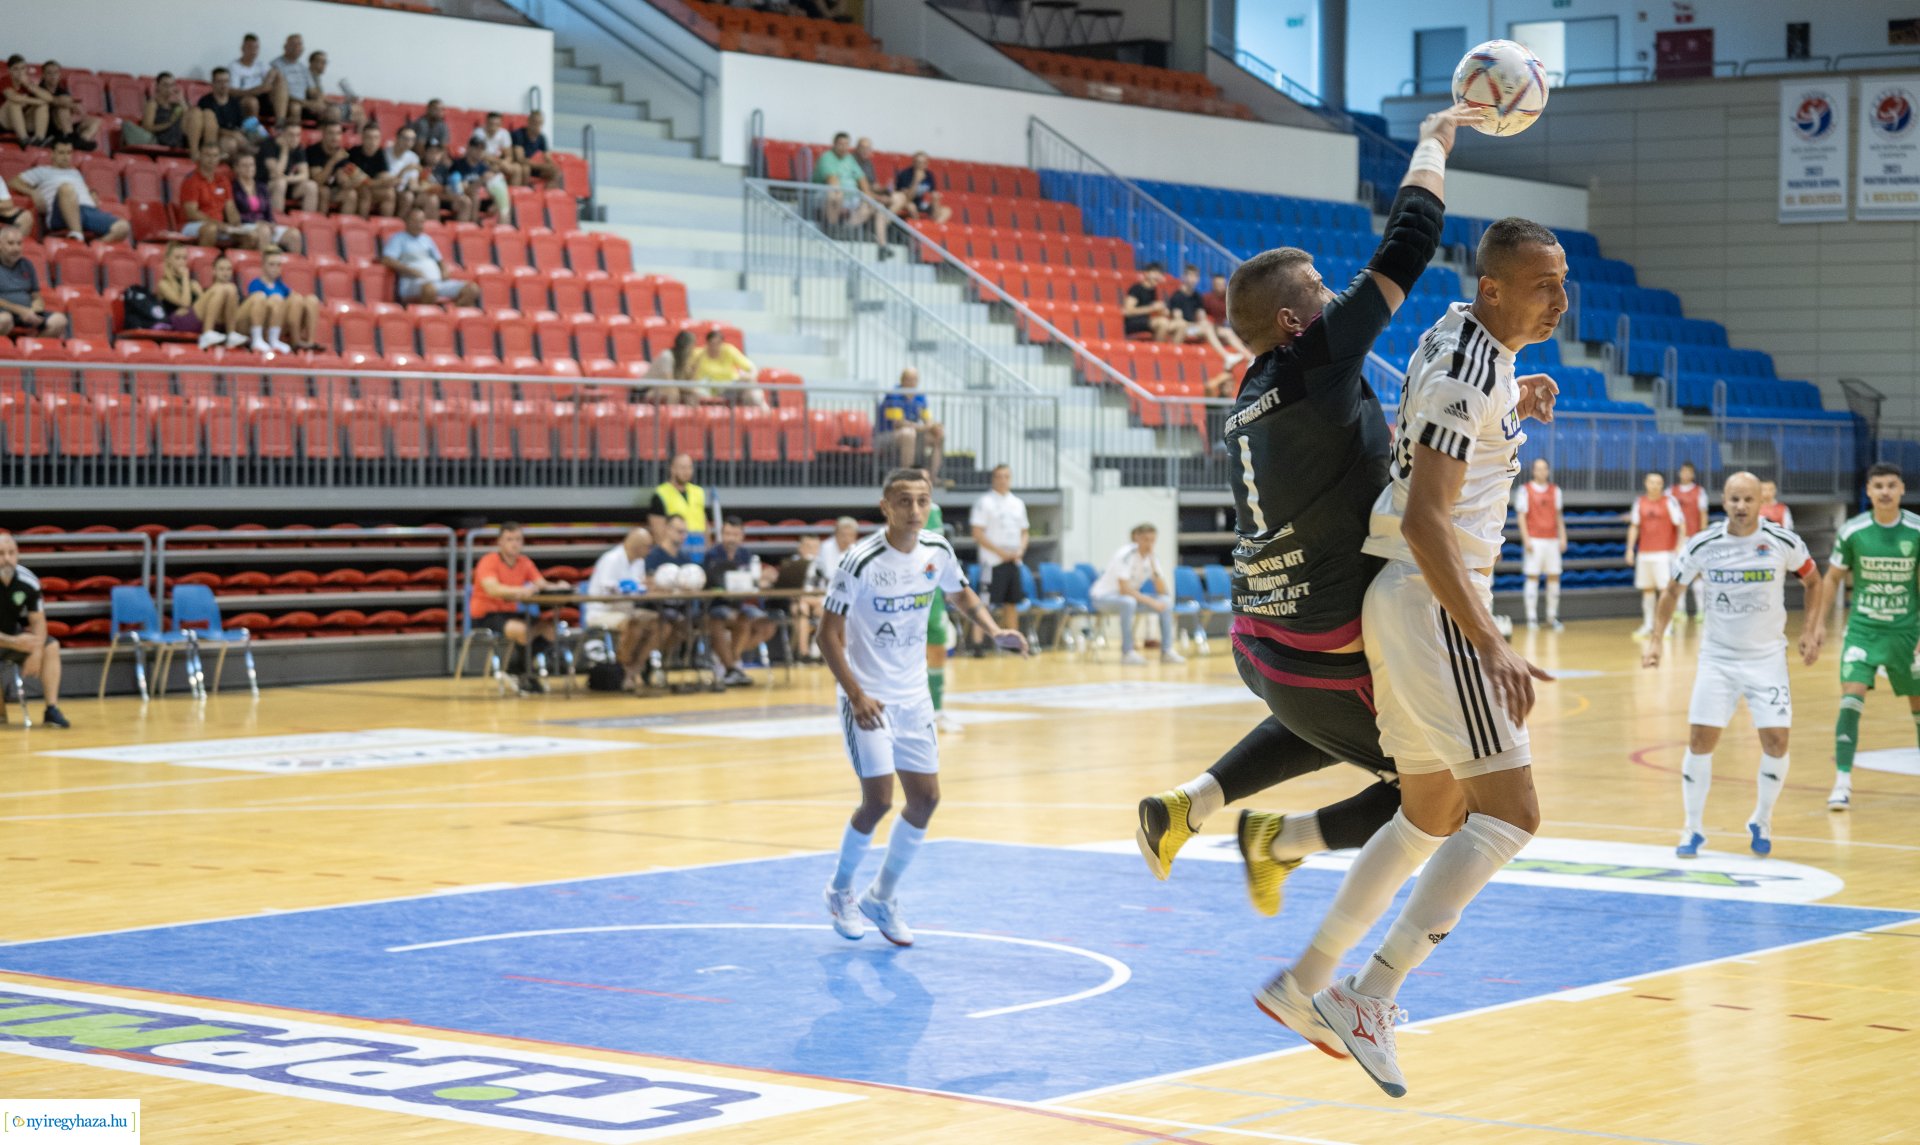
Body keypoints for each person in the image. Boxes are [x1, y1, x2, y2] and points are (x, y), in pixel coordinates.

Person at [1305, 215, 1564, 1098]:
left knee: (1429, 809)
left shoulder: (1458, 331)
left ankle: (1311, 977)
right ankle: (1368, 994)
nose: (1560, 299)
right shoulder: (1470, 366)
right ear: (1494, 286)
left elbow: (1448, 412)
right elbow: (1427, 520)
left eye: (1562, 281)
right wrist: (1491, 643)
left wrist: (1512, 398)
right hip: (1434, 600)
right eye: (1542, 285)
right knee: (1512, 812)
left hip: (1405, 600)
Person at [819, 468, 1028, 946]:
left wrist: (994, 631)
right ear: (885, 507)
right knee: (878, 800)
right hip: (867, 696)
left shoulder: (938, 549)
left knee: (926, 799)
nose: (914, 510)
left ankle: (881, 896)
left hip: (914, 697)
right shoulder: (860, 559)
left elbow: (959, 592)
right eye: (904, 501)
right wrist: (856, 694)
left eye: (922, 501)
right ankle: (839, 890)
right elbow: (826, 634)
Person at [1643, 471, 1823, 857]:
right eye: (1734, 499)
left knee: (1776, 742)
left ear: (1762, 502)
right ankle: (1692, 829)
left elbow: (1813, 580)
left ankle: (1761, 819)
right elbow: (1673, 589)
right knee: (1699, 740)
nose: (1741, 506)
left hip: (1767, 658)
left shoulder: (1781, 541)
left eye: (1748, 499)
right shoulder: (1704, 543)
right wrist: (1656, 639)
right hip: (1718, 659)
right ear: (1723, 502)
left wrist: (1812, 628)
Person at [1809, 463, 1920, 812]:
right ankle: (1842, 780)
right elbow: (1832, 579)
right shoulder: (1853, 531)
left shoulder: (1916, 531)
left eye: (1891, 485)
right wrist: (1818, 624)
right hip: (1864, 630)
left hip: (1906, 632)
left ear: (1902, 489)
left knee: (1917, 705)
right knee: (1850, 697)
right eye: (1878, 486)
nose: (1885, 491)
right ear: (1868, 492)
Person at [470, 523, 568, 694]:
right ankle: (522, 670)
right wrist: (520, 590)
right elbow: (493, 589)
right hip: (486, 614)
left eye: (518, 539)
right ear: (499, 542)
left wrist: (558, 586)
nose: (514, 544)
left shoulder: (524, 562)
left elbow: (541, 585)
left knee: (549, 629)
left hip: (511, 612)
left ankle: (517, 667)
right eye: (509, 539)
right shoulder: (489, 561)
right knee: (523, 630)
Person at [584, 527, 667, 691]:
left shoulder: (639, 562)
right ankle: (622, 669)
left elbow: (640, 587)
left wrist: (648, 586)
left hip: (626, 610)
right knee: (634, 625)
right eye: (648, 547)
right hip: (602, 611)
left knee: (661, 624)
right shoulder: (611, 559)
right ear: (638, 546)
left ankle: (635, 667)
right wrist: (630, 587)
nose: (650, 551)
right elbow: (605, 589)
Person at [0, 532, 69, 728]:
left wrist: (37, 650)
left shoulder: (28, 581)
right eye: (1, 553)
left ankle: (51, 709)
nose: (6, 559)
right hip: (9, 640)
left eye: (11, 553)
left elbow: (38, 622)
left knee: (51, 646)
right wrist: (14, 642)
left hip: (13, 636)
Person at [1090, 524, 1186, 665]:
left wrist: (1154, 564)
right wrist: (1150, 601)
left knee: (1165, 602)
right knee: (1128, 602)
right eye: (1146, 539)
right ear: (1137, 538)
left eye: (1153, 540)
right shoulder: (1125, 555)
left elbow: (1161, 591)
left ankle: (1167, 651)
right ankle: (1127, 652)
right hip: (1103, 598)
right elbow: (1124, 589)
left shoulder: (1152, 558)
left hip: (1128, 599)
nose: (1149, 544)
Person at [12, 139, 130, 244]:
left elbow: (83, 190)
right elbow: (14, 182)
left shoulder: (75, 172)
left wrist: (91, 193)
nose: (66, 156)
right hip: (60, 213)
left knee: (123, 226)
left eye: (69, 153)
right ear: (52, 154)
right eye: (61, 152)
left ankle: (93, 247)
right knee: (66, 188)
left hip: (88, 211)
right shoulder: (42, 171)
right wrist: (33, 192)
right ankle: (77, 235)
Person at [704, 518, 776, 687]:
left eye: (735, 534)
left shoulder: (745, 554)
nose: (731, 538)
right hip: (718, 605)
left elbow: (751, 581)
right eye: (728, 534)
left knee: (767, 625)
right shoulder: (712, 555)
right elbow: (712, 583)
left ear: (742, 536)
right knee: (741, 620)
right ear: (722, 535)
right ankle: (732, 666)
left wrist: (763, 579)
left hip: (740, 604)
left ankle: (730, 662)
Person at [969, 464, 1029, 644]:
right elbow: (977, 533)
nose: (1003, 480)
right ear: (993, 479)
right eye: (999, 476)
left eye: (1006, 476)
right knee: (984, 603)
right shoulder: (984, 502)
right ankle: (977, 644)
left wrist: (1020, 550)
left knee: (1011, 604)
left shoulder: (1018, 503)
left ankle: (1013, 643)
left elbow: (1025, 532)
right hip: (992, 562)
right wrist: (1000, 552)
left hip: (1013, 561)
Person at [380, 206, 478, 305]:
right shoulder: (398, 238)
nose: (418, 225)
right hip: (412, 283)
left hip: (437, 282)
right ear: (406, 221)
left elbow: (439, 260)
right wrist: (410, 270)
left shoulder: (427, 239)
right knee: (429, 290)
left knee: (472, 289)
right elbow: (387, 260)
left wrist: (444, 270)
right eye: (415, 221)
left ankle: (448, 316)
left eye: (421, 222)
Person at [1627, 471, 1684, 638]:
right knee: (1647, 590)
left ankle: (1666, 626)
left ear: (1662, 485)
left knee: (1665, 590)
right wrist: (1630, 548)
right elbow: (1634, 526)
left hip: (1664, 554)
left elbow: (1681, 525)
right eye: (1651, 482)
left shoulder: (1670, 501)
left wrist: (1679, 546)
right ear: (1646, 483)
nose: (1654, 485)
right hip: (1645, 553)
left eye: (1658, 482)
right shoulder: (1640, 502)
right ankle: (1648, 624)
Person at [155, 242, 242, 350]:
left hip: (196, 318)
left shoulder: (194, 284)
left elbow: (208, 305)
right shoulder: (164, 284)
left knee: (230, 288)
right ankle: (207, 333)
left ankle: (231, 333)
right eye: (178, 258)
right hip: (179, 322)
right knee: (219, 288)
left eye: (184, 258)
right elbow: (185, 303)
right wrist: (185, 278)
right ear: (168, 260)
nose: (182, 262)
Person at [1513, 457, 1566, 630]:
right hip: (1534, 540)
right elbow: (1521, 517)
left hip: (1552, 540)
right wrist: (1526, 538)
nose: (1541, 471)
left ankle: (1552, 617)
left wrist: (1563, 536)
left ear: (1548, 471)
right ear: (1533, 471)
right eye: (1538, 468)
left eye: (1544, 468)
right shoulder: (1524, 490)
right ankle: (1532, 619)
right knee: (1532, 576)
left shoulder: (1555, 491)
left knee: (1554, 576)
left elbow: (1558, 516)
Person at [923, 495, 960, 734]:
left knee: (938, 649)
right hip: (903, 589)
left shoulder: (934, 510)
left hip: (932, 589)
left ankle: (936, 712)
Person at [1167, 263, 1250, 361]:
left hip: (1195, 328)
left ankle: (1250, 358)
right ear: (1184, 277)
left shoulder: (1197, 297)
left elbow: (1201, 316)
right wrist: (1200, 324)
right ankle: (1226, 356)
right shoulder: (1177, 296)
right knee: (1206, 327)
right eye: (1190, 275)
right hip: (1184, 330)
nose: (1193, 279)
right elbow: (1179, 321)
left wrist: (1204, 323)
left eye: (1196, 276)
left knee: (1226, 332)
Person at [244, 248, 321, 352]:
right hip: (266, 324)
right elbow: (257, 309)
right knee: (289, 300)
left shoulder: (281, 285)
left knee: (311, 299)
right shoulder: (256, 284)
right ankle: (295, 341)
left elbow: (294, 298)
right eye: (271, 264)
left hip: (282, 323)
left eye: (278, 265)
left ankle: (309, 342)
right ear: (263, 266)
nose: (275, 268)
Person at [0, 224, 69, 338]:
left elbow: (35, 295)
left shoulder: (27, 264)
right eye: (11, 243)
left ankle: (30, 346)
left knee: (59, 320)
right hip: (4, 312)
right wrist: (20, 310)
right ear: (0, 245)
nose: (16, 248)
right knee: (4, 320)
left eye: (19, 243)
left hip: (27, 313)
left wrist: (36, 308)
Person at [877, 367, 944, 484]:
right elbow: (898, 423)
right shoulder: (894, 394)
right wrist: (922, 427)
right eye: (908, 379)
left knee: (938, 435)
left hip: (914, 433)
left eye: (915, 379)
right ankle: (906, 479)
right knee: (908, 434)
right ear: (902, 380)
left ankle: (932, 478)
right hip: (886, 435)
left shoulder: (920, 396)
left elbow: (927, 418)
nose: (912, 382)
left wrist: (933, 426)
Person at [769, 533, 826, 666]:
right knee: (801, 607)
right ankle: (803, 653)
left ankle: (819, 652)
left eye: (814, 547)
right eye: (808, 546)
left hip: (816, 601)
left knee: (822, 610)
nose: (811, 550)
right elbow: (783, 587)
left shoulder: (821, 565)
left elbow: (825, 588)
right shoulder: (791, 564)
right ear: (800, 548)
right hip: (792, 602)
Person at [230, 153, 301, 254]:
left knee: (294, 234)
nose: (249, 168)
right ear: (236, 168)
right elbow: (234, 214)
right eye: (244, 165)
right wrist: (258, 223)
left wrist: (271, 223)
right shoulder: (233, 188)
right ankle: (265, 266)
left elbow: (268, 210)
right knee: (264, 231)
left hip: (264, 225)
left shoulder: (262, 187)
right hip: (244, 225)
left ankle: (294, 268)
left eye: (251, 165)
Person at [124, 72, 203, 155]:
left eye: (172, 85)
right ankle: (195, 152)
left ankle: (197, 150)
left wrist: (181, 101)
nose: (169, 88)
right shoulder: (153, 104)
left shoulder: (176, 105)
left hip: (181, 139)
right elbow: (147, 127)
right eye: (165, 85)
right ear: (157, 86)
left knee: (196, 112)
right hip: (164, 137)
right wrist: (168, 124)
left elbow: (190, 120)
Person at [179, 143, 240, 247]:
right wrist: (218, 224)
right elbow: (191, 213)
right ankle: (205, 262)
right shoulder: (191, 180)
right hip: (192, 225)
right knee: (211, 229)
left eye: (215, 156)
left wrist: (236, 225)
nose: (212, 159)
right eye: (208, 155)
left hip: (219, 225)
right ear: (200, 156)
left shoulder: (223, 180)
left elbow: (230, 207)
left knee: (250, 236)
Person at [688, 328, 768, 407]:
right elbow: (686, 368)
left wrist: (750, 376)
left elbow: (751, 368)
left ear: (722, 344)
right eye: (712, 344)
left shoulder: (729, 350)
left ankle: (762, 409)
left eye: (718, 344)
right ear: (707, 343)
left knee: (749, 386)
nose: (715, 347)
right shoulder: (698, 354)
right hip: (707, 389)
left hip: (729, 388)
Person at [812, 132, 874, 234]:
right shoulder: (826, 157)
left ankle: (845, 230)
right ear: (834, 144)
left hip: (850, 197)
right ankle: (831, 228)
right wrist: (842, 201)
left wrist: (868, 198)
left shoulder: (850, 159)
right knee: (836, 194)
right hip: (825, 196)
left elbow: (862, 179)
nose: (844, 147)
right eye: (841, 144)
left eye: (846, 144)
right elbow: (832, 181)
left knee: (870, 205)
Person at [1672, 460, 1710, 623]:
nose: (1686, 474)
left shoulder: (1699, 492)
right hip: (1677, 540)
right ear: (1679, 473)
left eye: (1689, 472)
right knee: (1678, 575)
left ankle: (1701, 611)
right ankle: (1680, 611)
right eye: (1683, 471)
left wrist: (1702, 537)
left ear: (1693, 474)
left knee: (1697, 575)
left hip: (1694, 538)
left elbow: (1703, 515)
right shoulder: (1670, 492)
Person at [648, 453, 710, 544]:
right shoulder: (660, 494)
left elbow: (704, 523)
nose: (687, 471)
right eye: (683, 468)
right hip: (676, 548)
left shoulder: (698, 492)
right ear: (672, 469)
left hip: (698, 548)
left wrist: (708, 548)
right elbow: (658, 532)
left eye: (690, 467)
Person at [37, 61, 100, 151]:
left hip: (64, 124)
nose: (53, 75)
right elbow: (53, 101)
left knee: (95, 121)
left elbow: (71, 106)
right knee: (62, 108)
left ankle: (80, 141)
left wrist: (77, 112)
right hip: (48, 126)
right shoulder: (39, 89)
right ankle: (72, 139)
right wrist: (71, 105)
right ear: (43, 75)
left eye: (56, 72)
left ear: (59, 74)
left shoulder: (62, 91)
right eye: (49, 73)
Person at [259, 120, 318, 216]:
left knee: (311, 186)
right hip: (264, 186)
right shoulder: (268, 145)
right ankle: (278, 222)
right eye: (291, 135)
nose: (295, 139)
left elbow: (305, 175)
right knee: (280, 183)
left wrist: (288, 179)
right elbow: (276, 174)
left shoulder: (298, 148)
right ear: (282, 134)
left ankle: (307, 221)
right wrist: (285, 150)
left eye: (298, 135)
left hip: (286, 184)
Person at [448, 137, 512, 223]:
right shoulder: (458, 165)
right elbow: (459, 190)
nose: (479, 151)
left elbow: (494, 188)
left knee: (503, 202)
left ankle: (499, 230)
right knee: (474, 197)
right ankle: (470, 227)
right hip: (458, 200)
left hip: (479, 201)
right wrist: (480, 181)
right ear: (469, 148)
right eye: (476, 148)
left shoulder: (483, 167)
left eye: (482, 149)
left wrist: (495, 204)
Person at [304, 122, 361, 216]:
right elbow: (318, 180)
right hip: (315, 189)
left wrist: (349, 182)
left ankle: (345, 226)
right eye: (331, 133)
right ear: (324, 134)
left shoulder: (342, 153)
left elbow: (343, 179)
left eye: (338, 133)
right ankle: (320, 224)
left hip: (334, 190)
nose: (335, 137)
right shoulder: (313, 150)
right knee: (324, 191)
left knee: (351, 194)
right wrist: (333, 161)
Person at [271, 36, 328, 125]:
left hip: (303, 103)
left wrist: (319, 100)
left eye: (300, 44)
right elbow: (277, 92)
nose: (298, 47)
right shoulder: (276, 65)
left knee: (332, 111)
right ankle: (285, 132)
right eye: (294, 44)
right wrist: (306, 103)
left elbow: (313, 91)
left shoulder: (303, 68)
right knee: (295, 107)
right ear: (285, 47)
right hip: (285, 103)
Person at [347, 124, 399, 217]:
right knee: (365, 191)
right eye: (369, 138)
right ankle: (362, 224)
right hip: (353, 188)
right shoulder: (353, 153)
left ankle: (386, 225)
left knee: (390, 193)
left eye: (376, 138)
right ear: (362, 138)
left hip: (371, 187)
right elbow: (357, 179)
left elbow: (385, 178)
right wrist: (376, 182)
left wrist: (377, 182)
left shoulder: (380, 154)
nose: (373, 141)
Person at [227, 34, 285, 115]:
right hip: (245, 98)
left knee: (280, 79)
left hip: (262, 97)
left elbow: (274, 71)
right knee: (252, 101)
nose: (253, 51)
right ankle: (254, 127)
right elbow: (233, 92)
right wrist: (255, 91)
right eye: (250, 47)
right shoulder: (234, 66)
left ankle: (280, 121)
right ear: (242, 48)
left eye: (256, 48)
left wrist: (266, 84)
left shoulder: (260, 64)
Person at [197, 68, 249, 157]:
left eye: (226, 81)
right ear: (213, 83)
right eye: (220, 82)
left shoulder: (235, 102)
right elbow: (208, 128)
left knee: (258, 145)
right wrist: (233, 134)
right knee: (231, 144)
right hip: (215, 138)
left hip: (235, 135)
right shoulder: (205, 102)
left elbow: (241, 124)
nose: (223, 85)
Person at [1122, 262, 1180, 341]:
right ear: (1146, 273)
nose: (1157, 276)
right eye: (1154, 272)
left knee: (1181, 325)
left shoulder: (1154, 291)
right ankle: (1158, 350)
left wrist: (1162, 311)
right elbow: (1127, 311)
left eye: (1159, 274)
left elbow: (1154, 309)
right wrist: (1151, 308)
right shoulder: (1136, 289)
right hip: (1133, 322)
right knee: (1162, 323)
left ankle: (1173, 351)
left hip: (1148, 322)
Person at [2, 56, 51, 148]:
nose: (20, 72)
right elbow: (13, 97)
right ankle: (23, 139)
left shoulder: (28, 83)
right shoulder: (5, 80)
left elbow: (49, 98)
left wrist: (28, 85)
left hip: (22, 121)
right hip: (5, 121)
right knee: (14, 102)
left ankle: (39, 139)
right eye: (16, 69)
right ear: (9, 71)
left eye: (23, 68)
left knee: (43, 106)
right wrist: (37, 101)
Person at [889, 151, 950, 225]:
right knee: (912, 207)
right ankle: (917, 229)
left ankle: (931, 228)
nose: (920, 165)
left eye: (923, 163)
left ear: (927, 164)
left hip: (920, 203)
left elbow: (933, 193)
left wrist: (935, 201)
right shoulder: (905, 174)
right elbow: (907, 197)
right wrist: (916, 180)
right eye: (918, 162)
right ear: (913, 163)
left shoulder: (929, 175)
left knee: (946, 210)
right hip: (905, 202)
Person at [512, 110, 562, 188]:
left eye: (540, 123)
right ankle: (523, 194)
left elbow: (548, 157)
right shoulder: (518, 134)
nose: (537, 125)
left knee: (555, 171)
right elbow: (520, 159)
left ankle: (547, 196)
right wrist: (542, 166)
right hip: (520, 165)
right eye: (535, 122)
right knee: (526, 168)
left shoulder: (542, 138)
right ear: (529, 121)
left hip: (533, 166)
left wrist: (551, 165)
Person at [647, 329, 698, 404]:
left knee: (692, 394)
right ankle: (670, 415)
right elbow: (669, 381)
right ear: (685, 345)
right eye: (692, 345)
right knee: (673, 393)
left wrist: (692, 373)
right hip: (648, 388)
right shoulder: (667, 356)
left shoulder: (684, 359)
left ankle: (690, 416)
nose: (693, 348)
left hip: (665, 387)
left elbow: (685, 381)